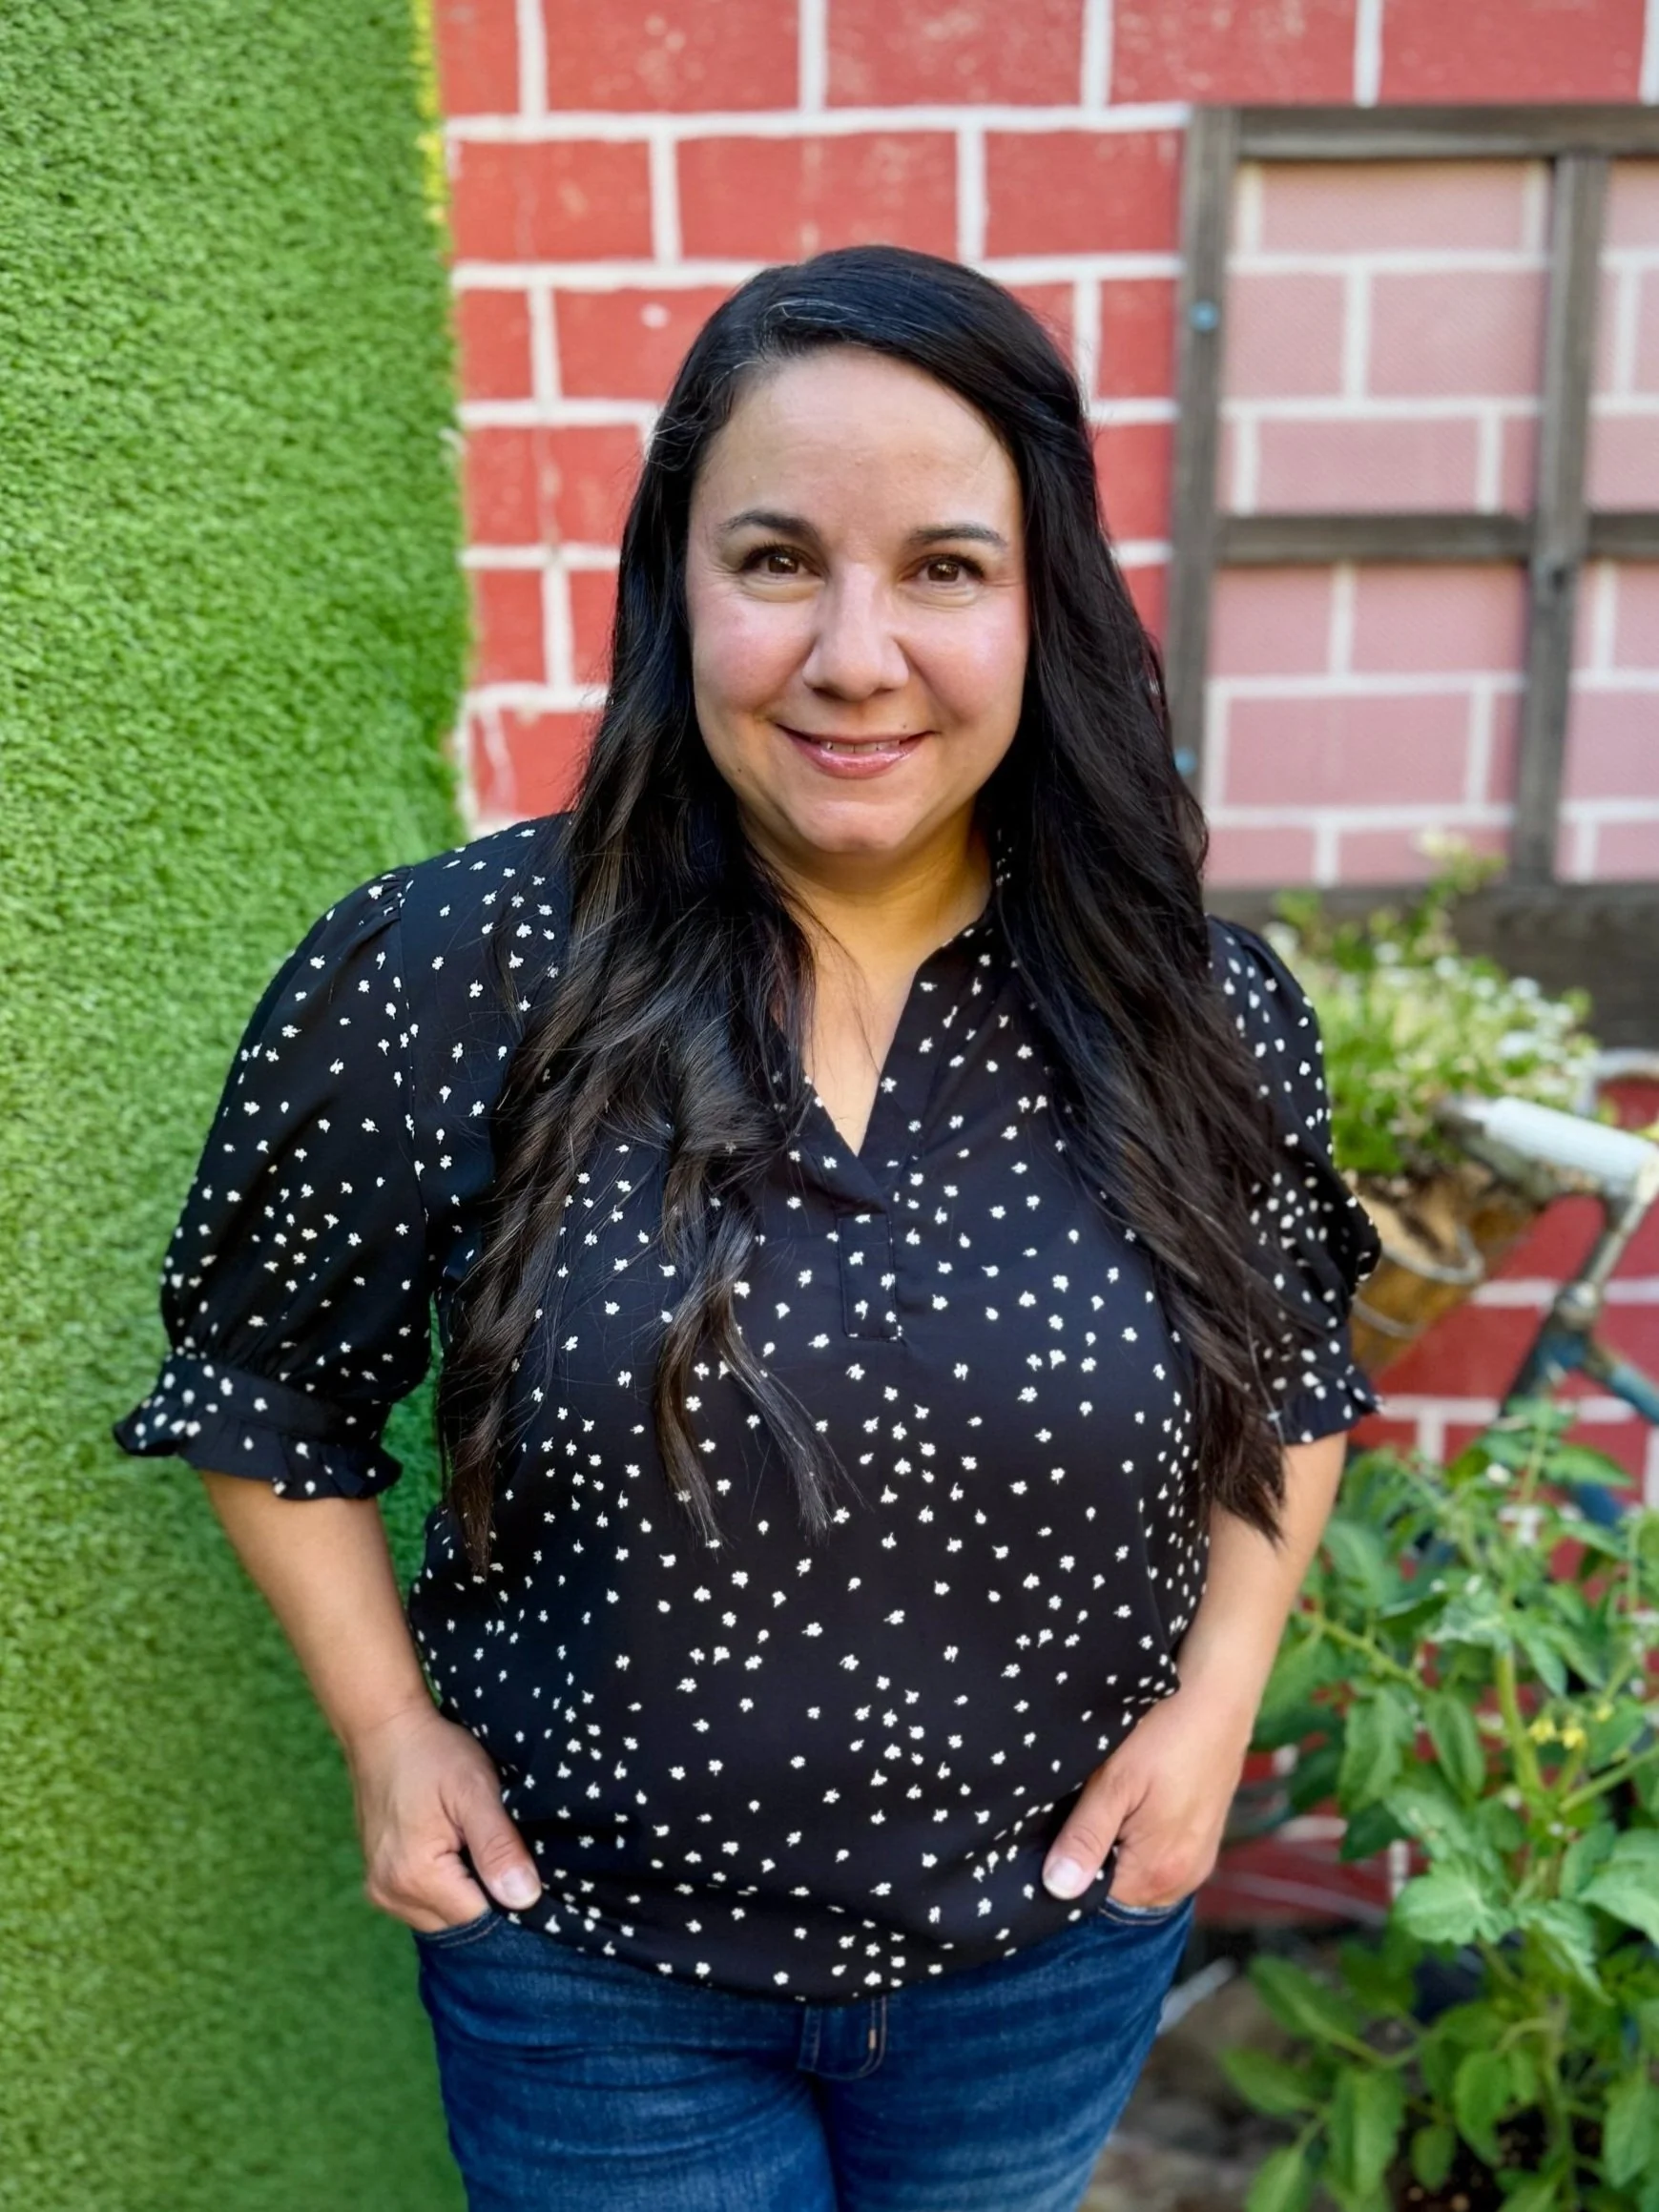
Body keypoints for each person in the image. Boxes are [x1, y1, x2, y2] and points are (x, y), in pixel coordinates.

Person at [115, 244, 1380, 2212]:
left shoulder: (1193, 1009)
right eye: (777, 558)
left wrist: (1215, 1714)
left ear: (1038, 601)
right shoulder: (454, 966)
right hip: (592, 1981)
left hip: (1041, 1965)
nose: (853, 654)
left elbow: (1291, 1371)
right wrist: (383, 1729)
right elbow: (266, 1387)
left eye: (942, 569)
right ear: (674, 584)